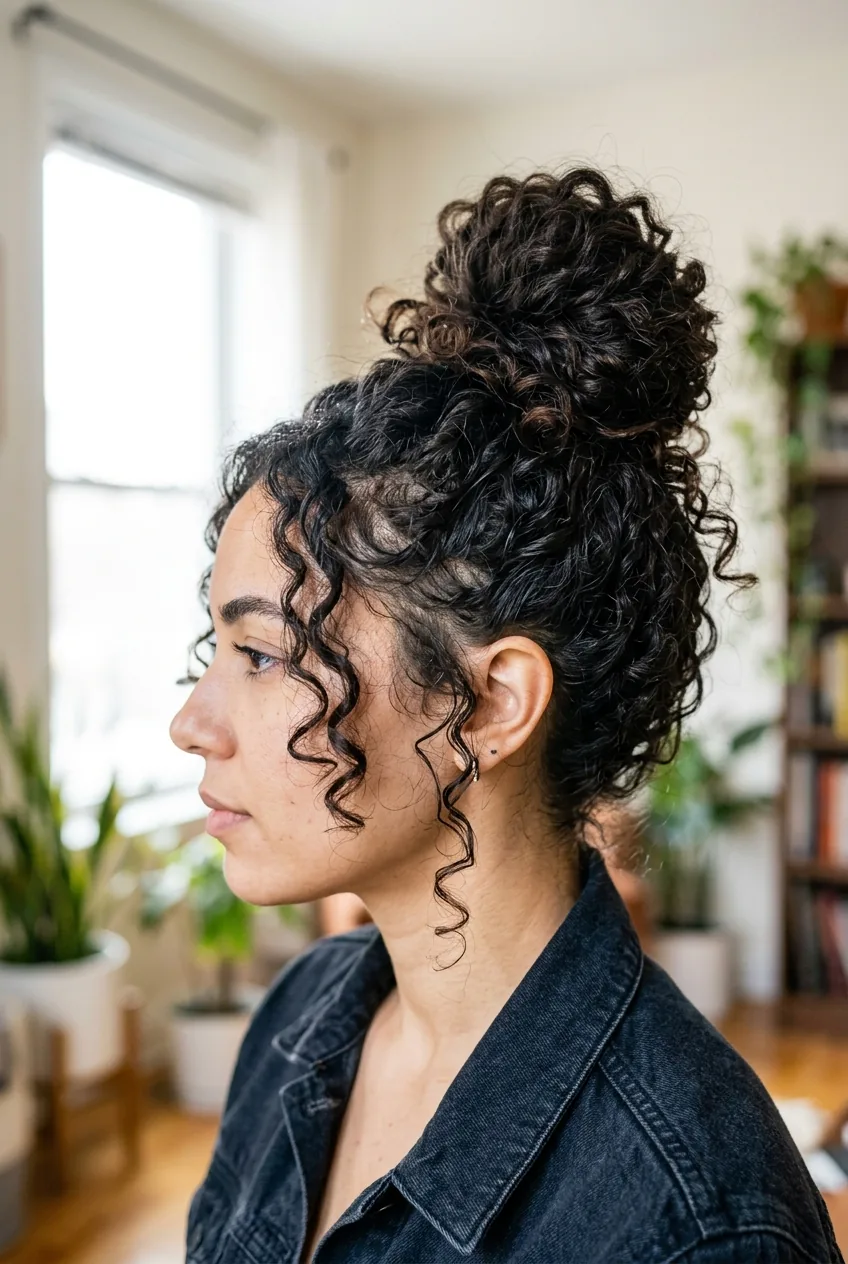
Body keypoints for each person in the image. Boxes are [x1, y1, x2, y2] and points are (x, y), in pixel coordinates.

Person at [169, 166, 843, 1263]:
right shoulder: (299, 1021)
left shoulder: (694, 1225)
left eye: (261, 653)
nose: (193, 722)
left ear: (488, 702)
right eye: (219, 648)